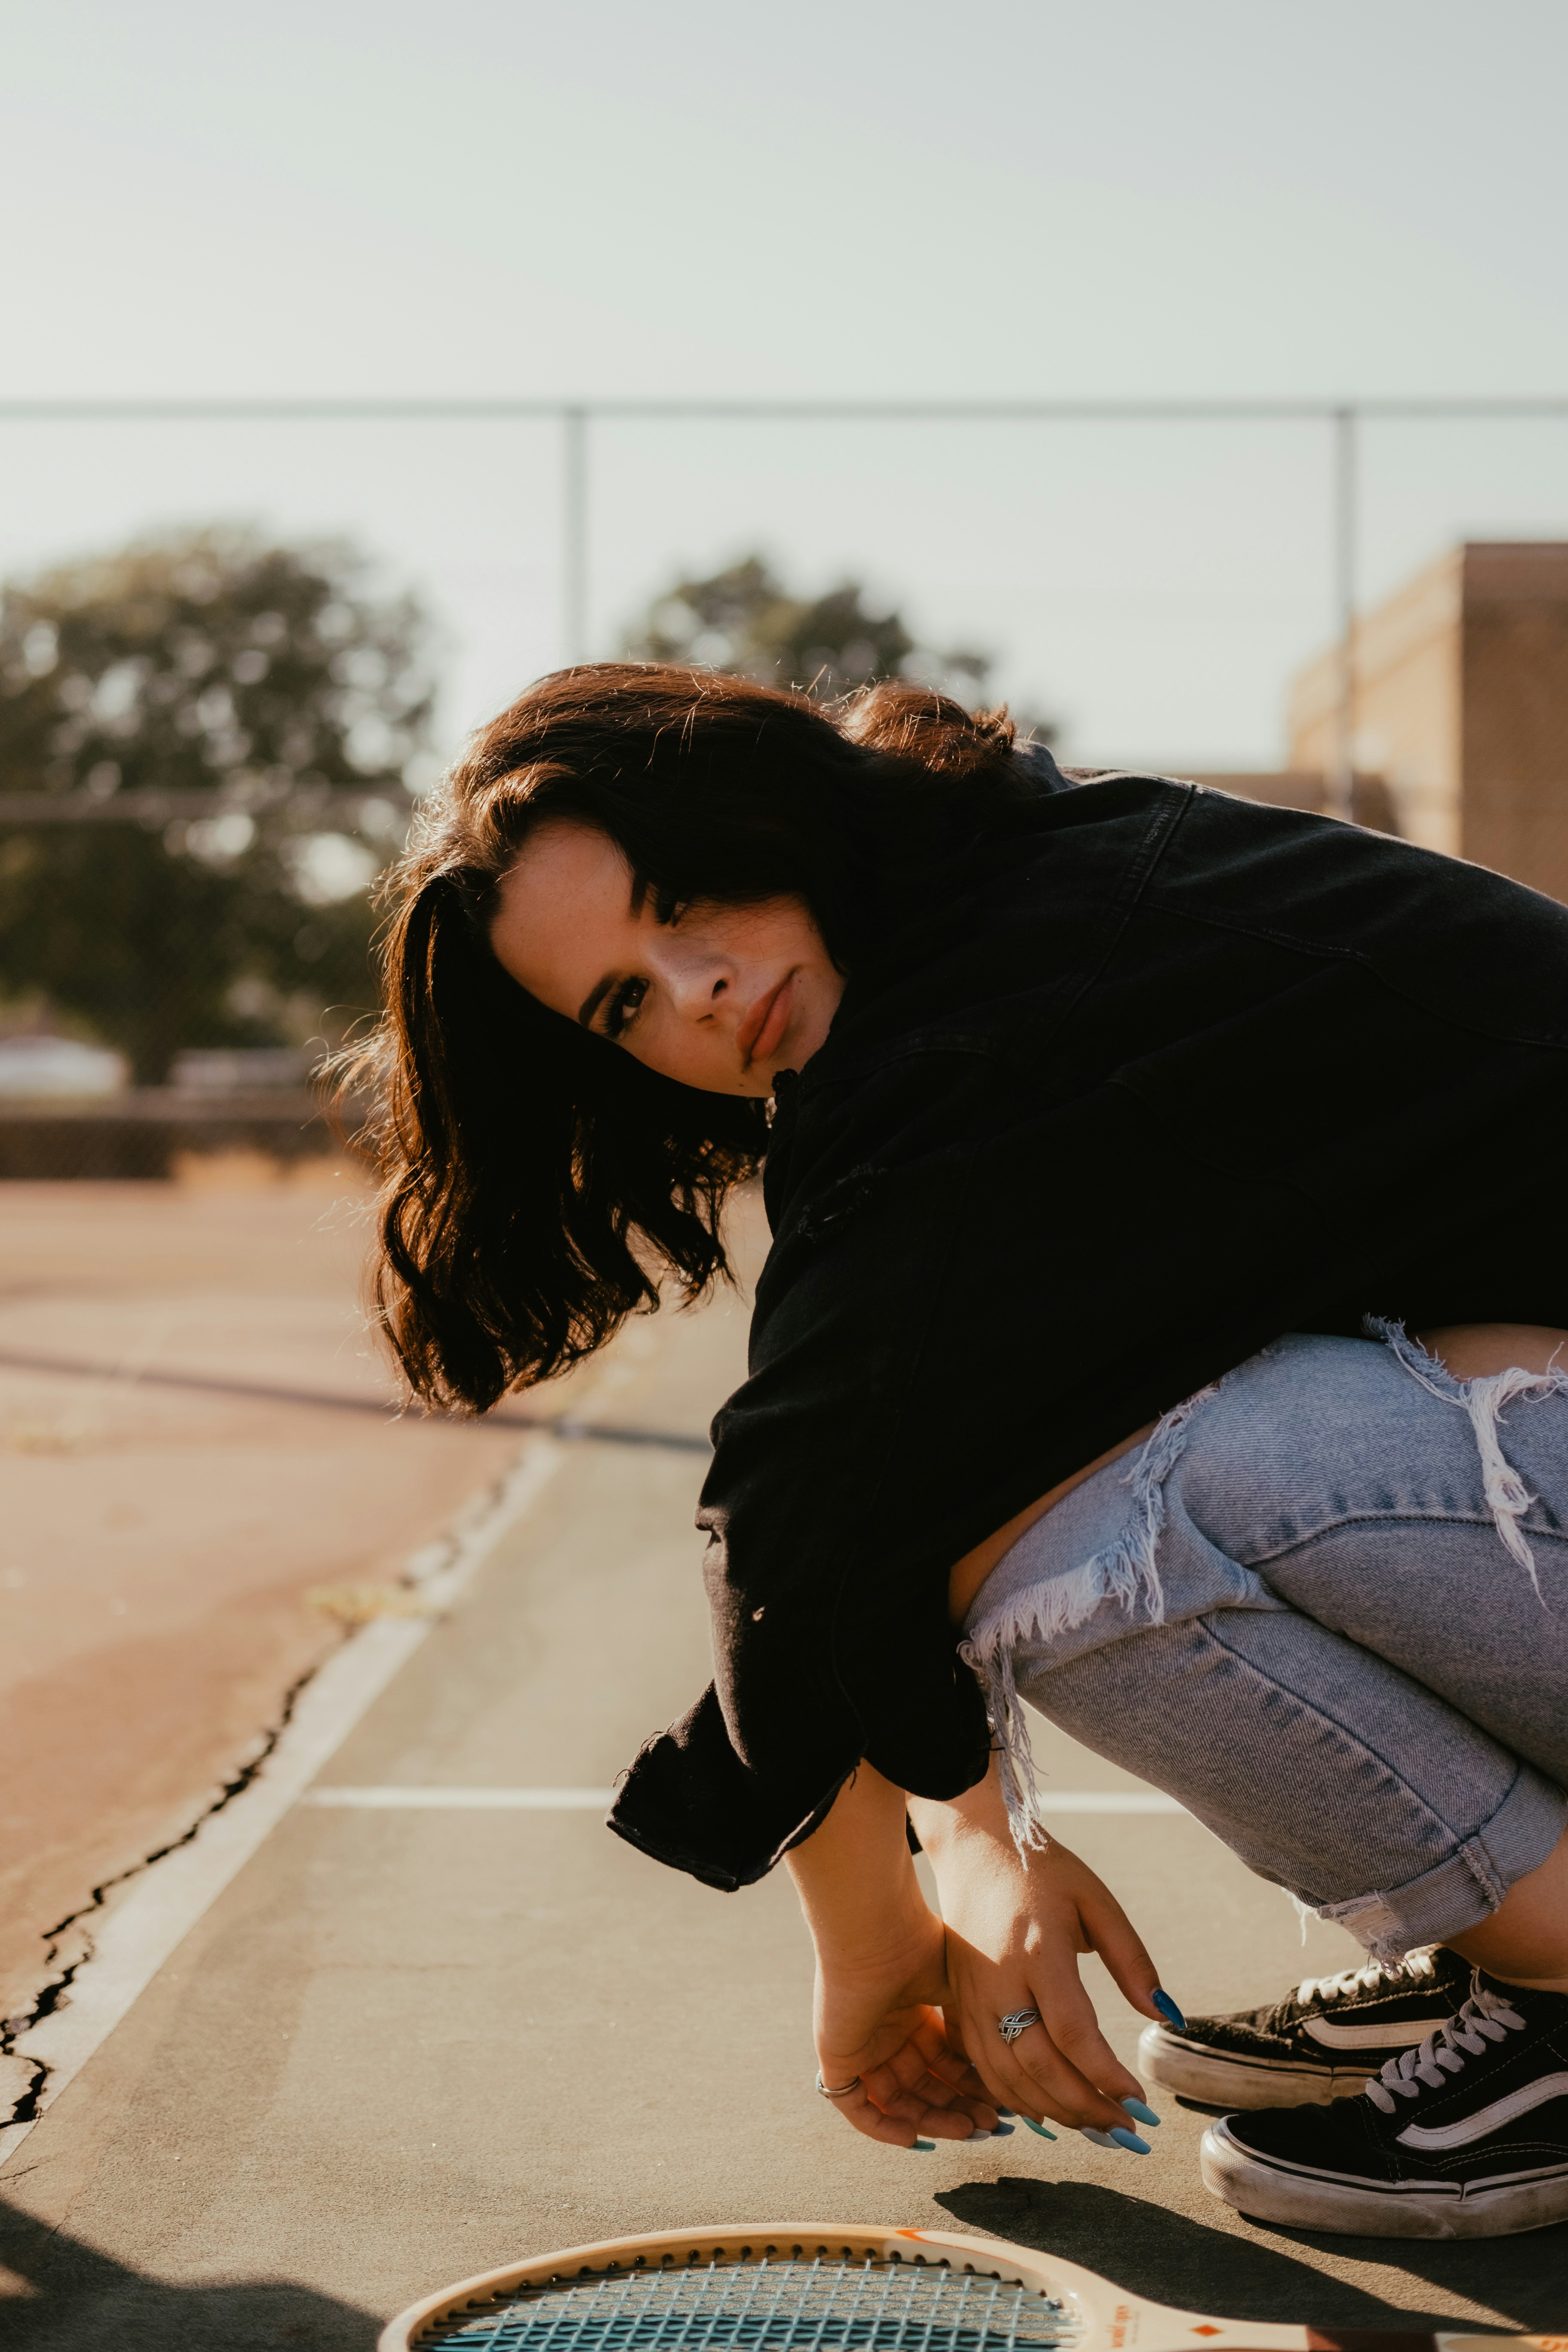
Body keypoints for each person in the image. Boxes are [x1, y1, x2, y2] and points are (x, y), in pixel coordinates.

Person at [360, 662, 1568, 2242]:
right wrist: (972, 1837)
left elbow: (806, 1511)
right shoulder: (997, 897)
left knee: (1094, 1529)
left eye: (683, 903)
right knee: (1047, 1466)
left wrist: (879, 1947)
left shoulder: (1011, 989)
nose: (698, 988)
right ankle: (1512, 1954)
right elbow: (918, 1445)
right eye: (625, 1003)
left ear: (758, 811)